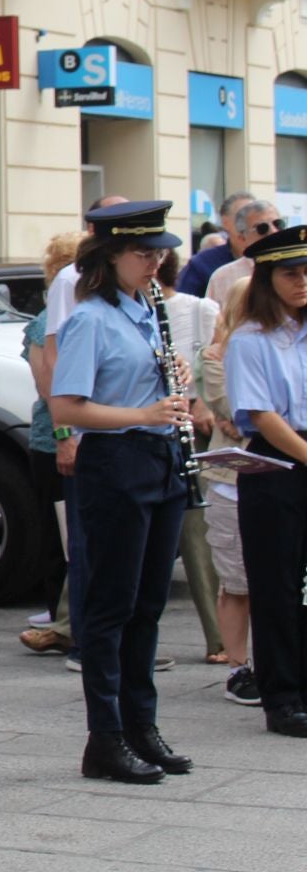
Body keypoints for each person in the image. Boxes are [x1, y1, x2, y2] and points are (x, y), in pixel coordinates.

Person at [49, 200, 195, 784]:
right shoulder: (90, 319)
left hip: (159, 458)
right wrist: (144, 409)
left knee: (148, 604)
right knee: (111, 606)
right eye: (143, 253)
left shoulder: (146, 308)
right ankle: (105, 737)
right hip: (116, 460)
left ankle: (142, 726)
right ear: (110, 257)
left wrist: (174, 374)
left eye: (160, 253)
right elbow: (66, 406)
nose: (155, 263)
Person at [222, 223, 307, 737]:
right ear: (267, 278)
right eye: (291, 274)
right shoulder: (251, 339)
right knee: (276, 584)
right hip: (277, 460)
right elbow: (262, 413)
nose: (302, 283)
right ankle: (283, 696)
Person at [20, 231, 87, 658]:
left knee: (64, 534)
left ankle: (65, 617)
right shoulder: (48, 323)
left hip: (60, 439)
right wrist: (65, 439)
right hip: (55, 441)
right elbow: (49, 387)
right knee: (63, 534)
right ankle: (62, 619)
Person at [158, 250, 226, 663]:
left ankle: (217, 636)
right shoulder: (128, 312)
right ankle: (69, 626)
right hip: (148, 431)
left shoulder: (198, 308)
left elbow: (215, 357)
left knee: (197, 536)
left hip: (190, 432)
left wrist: (204, 404)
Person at [203, 277, 261, 707]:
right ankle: (238, 667)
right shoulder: (218, 355)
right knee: (238, 580)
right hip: (232, 483)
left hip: (277, 477)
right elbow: (237, 412)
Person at [207, 200, 284, 310]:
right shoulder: (223, 277)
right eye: (262, 228)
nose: (273, 231)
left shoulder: (300, 269)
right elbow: (213, 323)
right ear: (242, 238)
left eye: (278, 224)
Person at [177, 192, 255, 297]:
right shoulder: (202, 263)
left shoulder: (274, 259)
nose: (251, 223)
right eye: (242, 216)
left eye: (256, 217)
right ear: (225, 222)